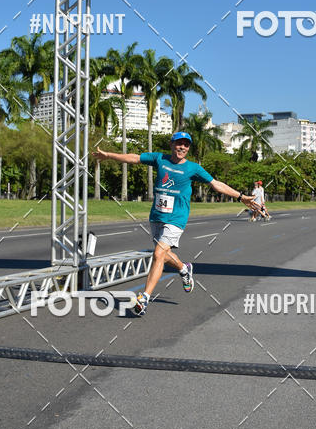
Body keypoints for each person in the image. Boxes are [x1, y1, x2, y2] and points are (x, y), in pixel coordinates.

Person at [93, 132, 258, 315]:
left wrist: (241, 197)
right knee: (163, 255)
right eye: (179, 143)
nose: (182, 147)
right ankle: (184, 268)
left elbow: (216, 184)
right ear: (171, 144)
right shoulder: (159, 159)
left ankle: (145, 298)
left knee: (158, 254)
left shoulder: (193, 168)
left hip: (177, 218)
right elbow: (133, 158)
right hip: (157, 215)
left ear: (188, 148)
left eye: (186, 145)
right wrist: (108, 155)